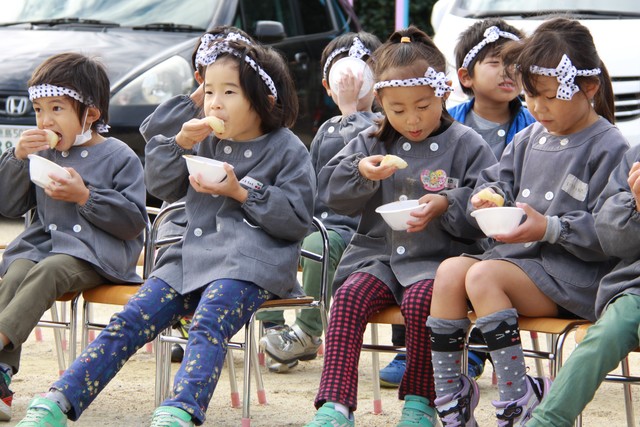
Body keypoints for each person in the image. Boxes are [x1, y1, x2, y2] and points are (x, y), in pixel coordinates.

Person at [15, 38, 315, 427]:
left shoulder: (288, 149)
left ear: (263, 99)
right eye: (208, 91)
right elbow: (160, 184)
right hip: (188, 260)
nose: (214, 103)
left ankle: (181, 409)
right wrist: (179, 143)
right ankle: (60, 398)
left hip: (251, 265)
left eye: (228, 92)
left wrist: (240, 190)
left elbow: (296, 220)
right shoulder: (203, 138)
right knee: (131, 319)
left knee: (208, 322)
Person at [426, 17, 630, 427]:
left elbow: (612, 232)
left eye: (550, 97)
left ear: (588, 88)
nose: (538, 109)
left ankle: (518, 395)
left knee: (483, 278)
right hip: (516, 263)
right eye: (531, 97)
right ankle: (451, 397)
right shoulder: (527, 138)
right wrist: (487, 200)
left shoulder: (609, 145)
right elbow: (495, 185)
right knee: (449, 272)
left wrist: (549, 228)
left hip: (573, 276)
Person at [305, 26, 497, 427]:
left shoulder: (466, 142)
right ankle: (335, 405)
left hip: (442, 262)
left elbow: (489, 201)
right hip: (379, 257)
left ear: (443, 93)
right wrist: (360, 172)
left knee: (422, 302)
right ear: (380, 103)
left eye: (423, 106)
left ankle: (420, 403)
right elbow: (328, 189)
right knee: (350, 297)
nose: (412, 119)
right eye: (397, 109)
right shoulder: (371, 140)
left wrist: (448, 202)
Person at [0, 52, 147, 422]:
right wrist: (16, 158)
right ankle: (1, 375)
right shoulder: (42, 151)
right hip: (44, 245)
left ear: (90, 115)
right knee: (17, 268)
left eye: (57, 108)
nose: (45, 120)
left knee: (50, 269)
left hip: (97, 254)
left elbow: (133, 222)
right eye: (38, 110)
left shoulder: (119, 156)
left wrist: (85, 197)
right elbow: (8, 204)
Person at [258, 31, 382, 373]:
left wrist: (350, 111)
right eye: (343, 78)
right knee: (267, 237)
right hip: (318, 221)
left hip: (354, 230)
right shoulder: (326, 128)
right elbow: (309, 180)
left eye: (361, 75)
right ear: (328, 86)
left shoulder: (381, 125)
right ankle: (274, 325)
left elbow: (364, 148)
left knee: (318, 245)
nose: (352, 83)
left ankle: (310, 332)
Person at [139, 26, 255, 363]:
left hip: (232, 214)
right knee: (172, 229)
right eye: (210, 82)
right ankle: (180, 316)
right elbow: (153, 137)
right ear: (198, 76)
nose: (220, 100)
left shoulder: (253, 122)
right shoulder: (191, 112)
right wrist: (200, 97)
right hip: (184, 207)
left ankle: (209, 316)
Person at [451, 17, 537, 381]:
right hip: (454, 229)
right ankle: (413, 349)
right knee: (430, 262)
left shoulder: (533, 126)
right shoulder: (446, 124)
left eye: (516, 64)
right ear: (466, 76)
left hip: (512, 237)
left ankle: (478, 350)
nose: (509, 72)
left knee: (488, 266)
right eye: (495, 61)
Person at [527, 145, 636, 427]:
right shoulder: (634, 159)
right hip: (636, 288)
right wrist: (636, 207)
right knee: (607, 332)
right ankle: (545, 422)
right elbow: (612, 241)